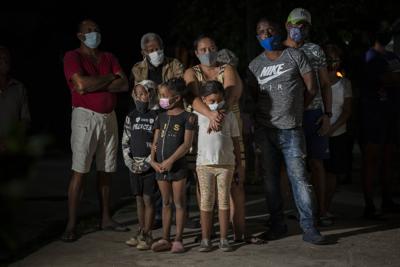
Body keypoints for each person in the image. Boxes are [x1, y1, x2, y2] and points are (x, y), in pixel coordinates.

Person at [248, 18, 327, 245]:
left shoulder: (295, 56)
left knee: (300, 179)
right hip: (266, 131)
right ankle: (277, 225)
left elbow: (311, 88)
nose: (267, 34)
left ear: (278, 30)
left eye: (270, 30)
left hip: (291, 130)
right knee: (271, 181)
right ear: (258, 38)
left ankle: (309, 227)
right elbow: (252, 96)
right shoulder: (255, 65)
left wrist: (296, 109)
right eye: (261, 32)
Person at [62, 19, 129, 242]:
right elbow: (80, 85)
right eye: (89, 31)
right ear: (79, 35)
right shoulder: (73, 57)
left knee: (106, 169)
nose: (94, 34)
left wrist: (95, 83)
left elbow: (124, 84)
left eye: (97, 30)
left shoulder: (108, 57)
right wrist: (110, 77)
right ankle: (71, 224)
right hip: (85, 118)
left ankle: (106, 218)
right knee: (80, 170)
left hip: (109, 118)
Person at [131, 33, 200, 229]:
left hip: (174, 116)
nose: (156, 53)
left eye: (158, 48)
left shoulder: (175, 64)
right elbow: (139, 93)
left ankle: (182, 215)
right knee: (155, 168)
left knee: (178, 164)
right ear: (144, 52)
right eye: (151, 50)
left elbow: (178, 88)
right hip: (152, 118)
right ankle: (158, 216)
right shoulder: (138, 68)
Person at [184, 36, 246, 242]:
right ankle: (208, 232)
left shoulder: (227, 69)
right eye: (202, 49)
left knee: (235, 181)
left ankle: (237, 232)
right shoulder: (191, 72)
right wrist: (211, 116)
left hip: (229, 129)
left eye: (211, 48)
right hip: (203, 134)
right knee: (204, 183)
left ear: (217, 49)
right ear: (196, 52)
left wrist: (219, 116)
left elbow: (230, 94)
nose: (207, 52)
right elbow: (192, 98)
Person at [283, 8, 333, 225]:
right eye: (295, 24)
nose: (299, 29)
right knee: (290, 165)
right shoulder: (279, 50)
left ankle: (321, 211)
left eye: (303, 25)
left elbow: (325, 84)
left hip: (313, 113)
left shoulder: (315, 50)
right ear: (287, 25)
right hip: (288, 115)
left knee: (316, 163)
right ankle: (291, 211)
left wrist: (327, 114)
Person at [149, 78, 196, 253]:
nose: (161, 99)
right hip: (160, 168)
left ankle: (178, 239)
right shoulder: (160, 117)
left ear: (176, 98)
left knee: (179, 203)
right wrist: (153, 161)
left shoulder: (188, 117)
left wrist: (170, 161)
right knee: (166, 203)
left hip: (177, 168)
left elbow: (186, 144)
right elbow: (155, 143)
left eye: (163, 95)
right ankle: (165, 238)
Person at [195, 81, 242, 252]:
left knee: (223, 201)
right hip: (204, 164)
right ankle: (206, 239)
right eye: (212, 100)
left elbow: (236, 141)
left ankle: (224, 239)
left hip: (226, 164)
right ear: (204, 100)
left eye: (219, 100)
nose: (216, 103)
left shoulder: (230, 116)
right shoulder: (199, 114)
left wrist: (239, 164)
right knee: (206, 201)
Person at [360, 25, 400, 218]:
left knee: (389, 157)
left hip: (391, 112)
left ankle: (387, 199)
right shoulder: (371, 57)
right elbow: (388, 79)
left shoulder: (392, 57)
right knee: (372, 158)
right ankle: (369, 204)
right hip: (374, 114)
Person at [122, 80, 159, 250]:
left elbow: (157, 144)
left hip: (149, 166)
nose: (141, 97)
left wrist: (148, 162)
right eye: (137, 94)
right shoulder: (131, 116)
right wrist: (130, 162)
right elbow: (125, 141)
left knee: (148, 199)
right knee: (138, 199)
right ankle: (140, 230)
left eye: (144, 93)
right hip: (133, 166)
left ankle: (148, 233)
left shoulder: (156, 116)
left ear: (151, 94)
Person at [323, 44, 353, 225]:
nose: (333, 63)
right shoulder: (318, 81)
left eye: (336, 59)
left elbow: (347, 111)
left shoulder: (345, 83)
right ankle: (316, 207)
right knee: (317, 172)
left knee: (332, 173)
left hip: (338, 133)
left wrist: (332, 129)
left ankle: (326, 208)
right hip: (320, 133)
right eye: (330, 59)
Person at [0, 46, 30, 153]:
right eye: (1, 58)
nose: (4, 61)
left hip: (13, 149)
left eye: (6, 58)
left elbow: (25, 119)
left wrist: (10, 141)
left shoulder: (19, 88)